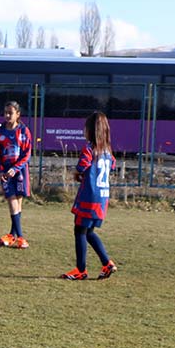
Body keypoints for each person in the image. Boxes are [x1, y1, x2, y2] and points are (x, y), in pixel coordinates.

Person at [62, 111, 118, 280]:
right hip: (102, 197)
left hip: (89, 197)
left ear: (92, 131)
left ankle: (81, 270)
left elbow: (82, 166)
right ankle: (107, 263)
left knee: (79, 230)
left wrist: (77, 174)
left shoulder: (89, 149)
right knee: (88, 231)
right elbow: (112, 165)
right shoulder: (107, 151)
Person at [0, 100, 32, 248]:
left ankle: (12, 235)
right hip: (6, 172)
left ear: (18, 114)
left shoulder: (24, 131)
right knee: (11, 199)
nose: (7, 115)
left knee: (18, 202)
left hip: (20, 171)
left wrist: (16, 168)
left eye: (10, 113)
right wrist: (1, 169)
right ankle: (20, 237)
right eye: (5, 113)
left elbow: (27, 154)